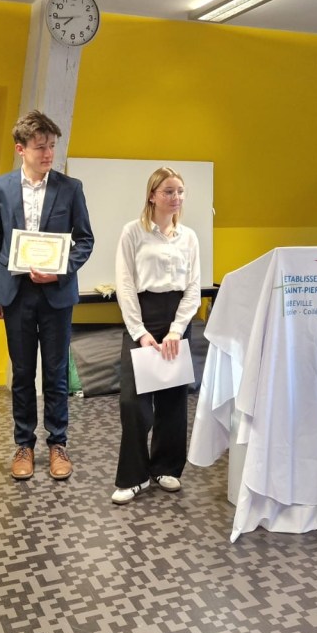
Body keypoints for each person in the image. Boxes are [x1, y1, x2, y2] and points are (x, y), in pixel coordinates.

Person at [0, 110, 94, 481]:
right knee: (21, 372)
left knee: (56, 372)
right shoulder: (0, 187)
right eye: (40, 147)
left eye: (51, 146)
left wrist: (60, 270)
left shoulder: (70, 188)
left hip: (56, 293)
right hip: (15, 292)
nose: (48, 154)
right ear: (21, 149)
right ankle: (24, 445)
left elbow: (85, 240)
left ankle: (58, 443)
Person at [111, 168, 201, 504]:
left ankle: (166, 468)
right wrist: (140, 332)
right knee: (133, 403)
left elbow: (193, 288)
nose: (176, 198)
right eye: (168, 191)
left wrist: (177, 329)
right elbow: (125, 284)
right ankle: (134, 477)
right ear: (152, 196)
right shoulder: (132, 232)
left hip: (177, 319)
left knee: (173, 400)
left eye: (180, 191)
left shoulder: (188, 237)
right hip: (142, 317)